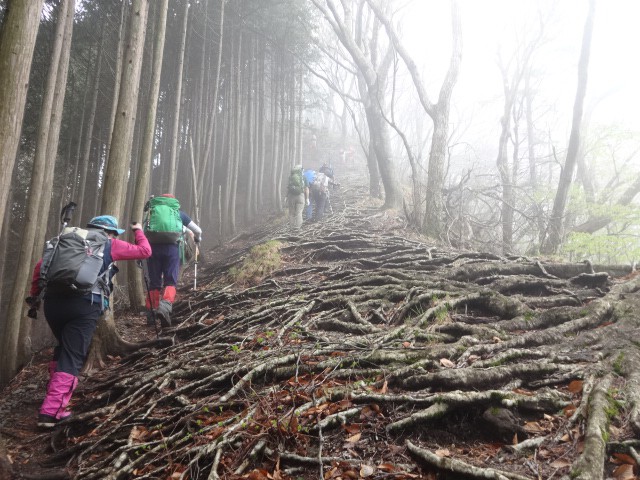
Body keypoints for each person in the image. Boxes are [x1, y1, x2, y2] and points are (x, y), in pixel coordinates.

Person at [29, 215, 151, 428]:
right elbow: (145, 251)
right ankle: (51, 412)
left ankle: (54, 400)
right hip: (85, 304)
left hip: (52, 303)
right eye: (114, 233)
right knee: (73, 355)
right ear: (110, 231)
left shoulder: (63, 241)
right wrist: (138, 230)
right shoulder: (109, 243)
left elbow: (41, 268)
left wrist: (35, 298)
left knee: (64, 348)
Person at [145, 194, 202, 327]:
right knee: (170, 280)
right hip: (172, 250)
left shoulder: (151, 213)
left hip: (153, 249)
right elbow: (197, 230)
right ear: (173, 202)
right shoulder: (178, 214)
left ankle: (151, 314)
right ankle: (165, 307)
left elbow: (143, 232)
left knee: (154, 282)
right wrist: (197, 238)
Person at [286, 165, 309, 229]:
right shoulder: (303, 177)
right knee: (299, 212)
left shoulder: (290, 177)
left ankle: (292, 227)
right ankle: (298, 228)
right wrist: (307, 198)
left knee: (291, 213)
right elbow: (306, 189)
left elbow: (288, 188)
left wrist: (286, 196)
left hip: (291, 196)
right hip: (300, 196)